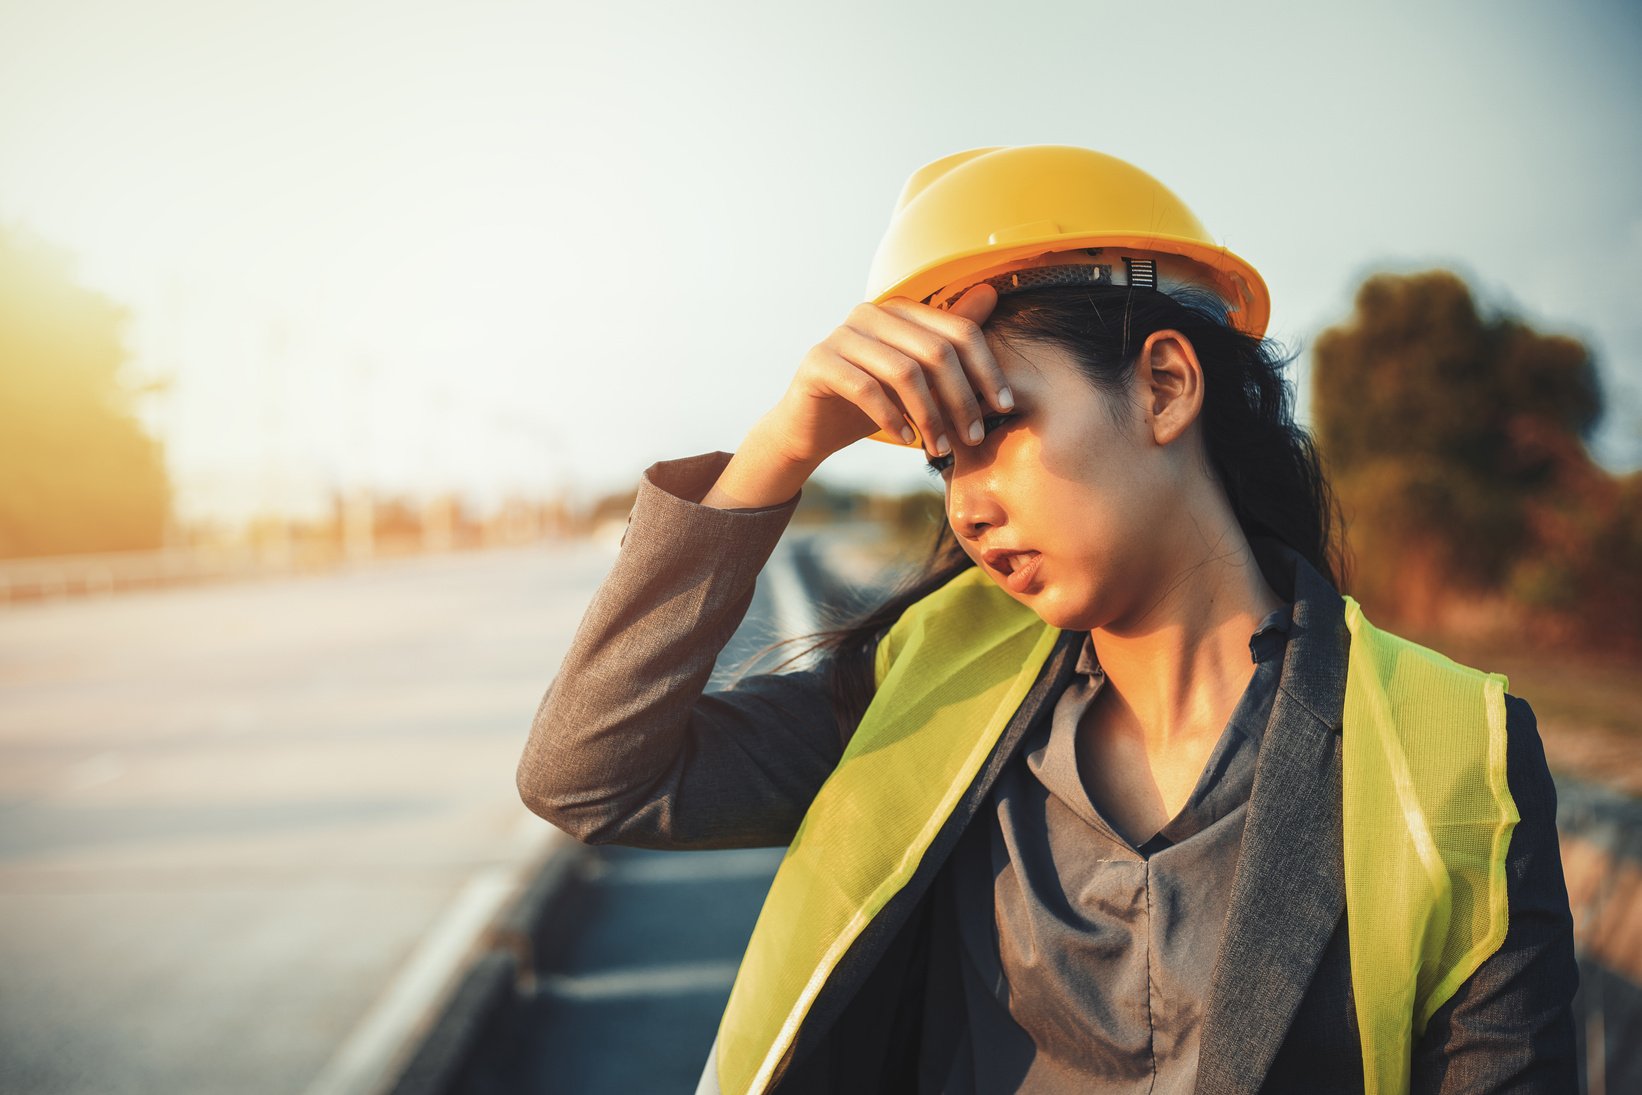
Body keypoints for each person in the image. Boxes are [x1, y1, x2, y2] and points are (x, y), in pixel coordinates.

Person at [516, 145, 1579, 1094]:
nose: (965, 504)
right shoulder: (925, 688)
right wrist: (780, 449)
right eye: (942, 460)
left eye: (996, 425)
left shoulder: (1457, 752)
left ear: (1164, 385)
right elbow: (590, 774)